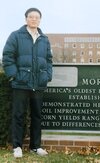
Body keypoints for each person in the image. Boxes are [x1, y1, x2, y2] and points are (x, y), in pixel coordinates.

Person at [2, 8, 53, 158]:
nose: (34, 19)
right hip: (21, 83)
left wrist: (47, 76)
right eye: (31, 17)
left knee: (37, 116)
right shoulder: (16, 36)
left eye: (37, 17)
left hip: (38, 84)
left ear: (40, 20)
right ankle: (17, 146)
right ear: (26, 19)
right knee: (18, 115)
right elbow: (7, 57)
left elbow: (49, 60)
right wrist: (14, 76)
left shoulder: (44, 39)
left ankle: (35, 147)